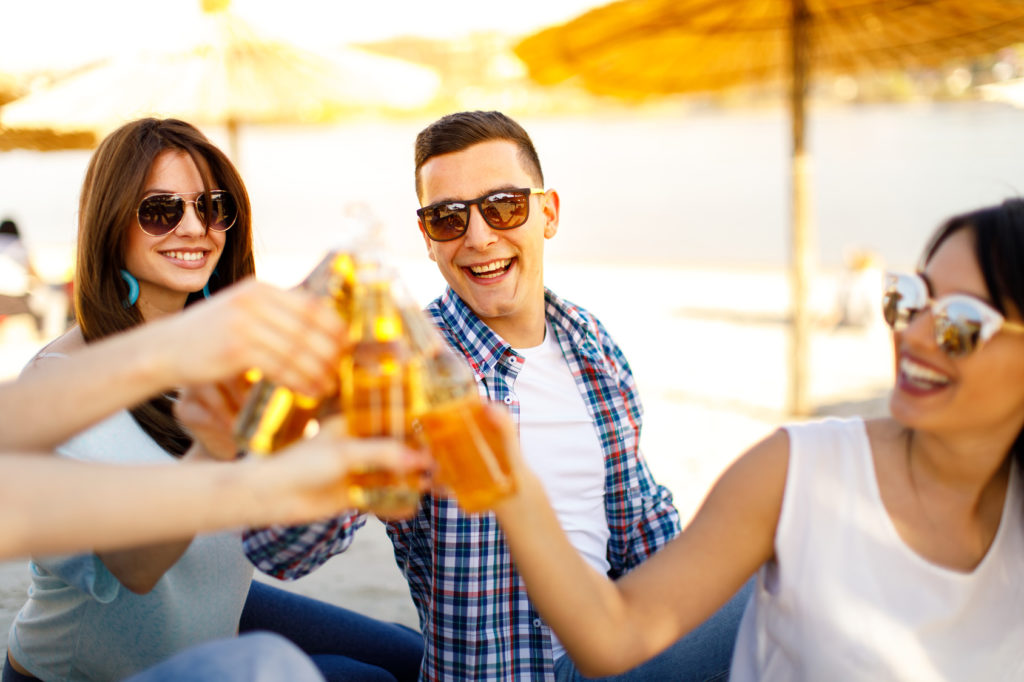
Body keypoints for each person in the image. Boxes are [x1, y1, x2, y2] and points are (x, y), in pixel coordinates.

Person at [244, 110, 750, 680]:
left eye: (502, 206)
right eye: (448, 218)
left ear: (548, 213)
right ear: (428, 240)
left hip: (619, 650)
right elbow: (284, 552)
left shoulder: (592, 346)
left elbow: (642, 531)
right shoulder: (409, 369)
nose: (479, 236)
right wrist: (332, 423)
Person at [483, 199, 1024, 680]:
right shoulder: (797, 471)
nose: (913, 334)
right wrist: (511, 483)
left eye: (960, 323)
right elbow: (613, 635)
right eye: (909, 299)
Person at [3, 118, 423, 682]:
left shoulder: (228, 354)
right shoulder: (60, 389)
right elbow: (136, 567)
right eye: (161, 210)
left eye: (212, 207)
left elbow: (280, 521)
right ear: (111, 224)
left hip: (212, 616)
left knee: (410, 654)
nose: (195, 228)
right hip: (84, 672)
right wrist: (215, 445)